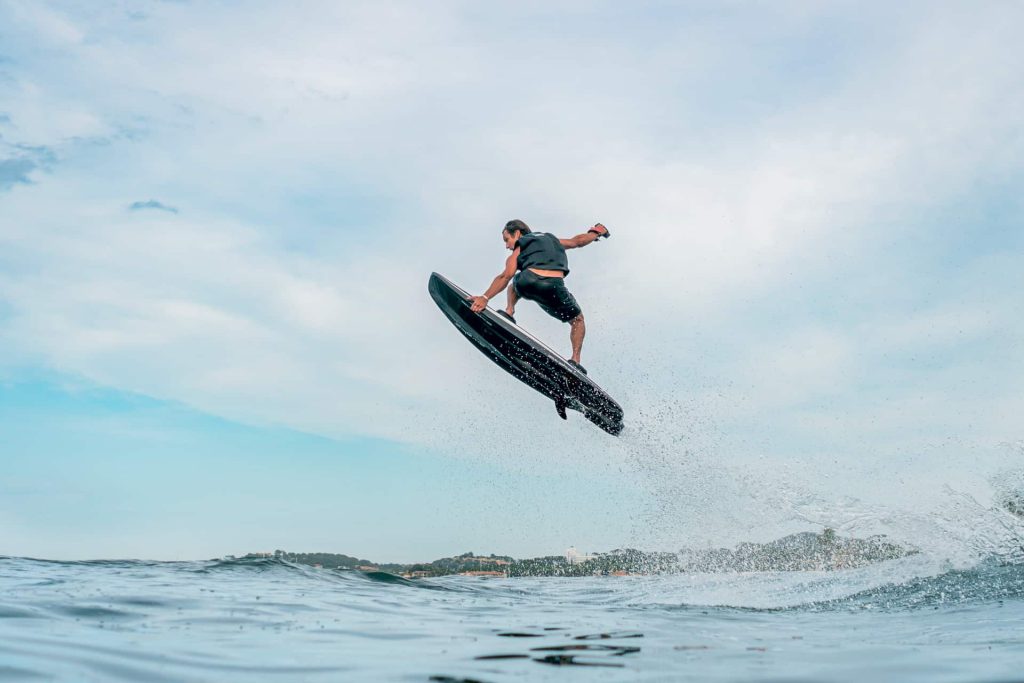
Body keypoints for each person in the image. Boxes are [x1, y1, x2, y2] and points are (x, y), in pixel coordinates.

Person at [469, 218, 610, 373]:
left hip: (527, 282)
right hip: (554, 288)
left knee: (513, 285)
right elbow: (578, 241)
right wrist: (596, 232)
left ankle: (509, 312)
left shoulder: (520, 245)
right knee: (578, 320)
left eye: (507, 240)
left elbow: (506, 275)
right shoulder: (553, 240)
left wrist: (485, 297)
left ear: (517, 233)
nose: (507, 245)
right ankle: (575, 361)